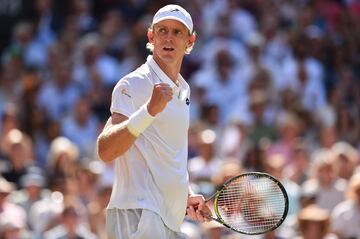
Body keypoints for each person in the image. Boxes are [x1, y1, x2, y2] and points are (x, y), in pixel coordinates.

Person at [97, 4, 210, 239]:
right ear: (151, 36)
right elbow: (105, 150)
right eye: (162, 30)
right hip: (138, 215)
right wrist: (148, 111)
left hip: (167, 218)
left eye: (177, 32)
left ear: (190, 41)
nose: (169, 38)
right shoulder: (134, 83)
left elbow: (164, 156)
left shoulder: (183, 90)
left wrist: (185, 195)